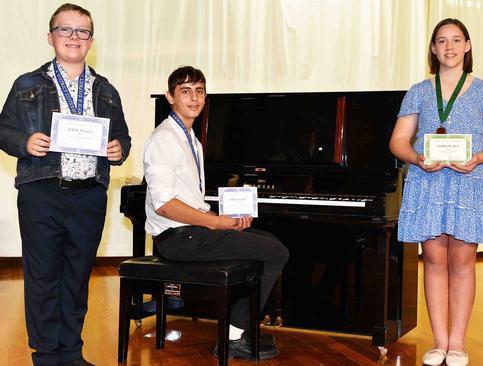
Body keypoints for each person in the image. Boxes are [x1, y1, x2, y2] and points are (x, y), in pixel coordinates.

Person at [0, 3, 131, 365]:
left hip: (89, 194)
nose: (74, 37)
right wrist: (24, 143)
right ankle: (46, 355)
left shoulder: (106, 90)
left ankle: (71, 352)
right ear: (50, 37)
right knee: (42, 278)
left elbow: (122, 137)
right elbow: (4, 130)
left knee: (76, 278)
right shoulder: (27, 84)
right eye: (65, 30)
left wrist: (120, 149)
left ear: (91, 40)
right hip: (41, 191)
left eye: (82, 31)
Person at [389, 18, 483, 366]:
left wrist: (477, 158)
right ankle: (439, 342)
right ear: (433, 49)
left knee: (461, 262)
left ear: (468, 46)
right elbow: (398, 140)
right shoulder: (419, 91)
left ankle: (458, 342)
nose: (449, 46)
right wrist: (416, 158)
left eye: (457, 40)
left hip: (468, 182)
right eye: (442, 41)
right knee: (434, 260)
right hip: (428, 183)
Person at [143, 66, 289, 360]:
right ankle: (233, 336)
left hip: (190, 232)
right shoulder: (163, 139)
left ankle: (238, 329)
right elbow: (165, 204)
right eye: (185, 92)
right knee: (276, 252)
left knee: (265, 240)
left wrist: (230, 219)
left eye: (199, 91)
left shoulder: (190, 139)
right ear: (170, 97)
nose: (194, 99)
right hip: (177, 238)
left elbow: (191, 199)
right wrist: (215, 222)